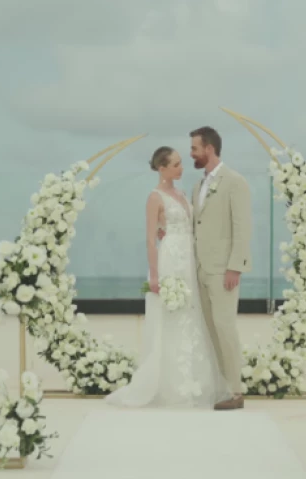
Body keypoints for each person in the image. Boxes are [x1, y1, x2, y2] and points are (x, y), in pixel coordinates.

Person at [105, 146, 233, 409]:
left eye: (180, 163)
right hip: (171, 261)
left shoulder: (183, 193)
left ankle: (199, 383)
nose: (181, 168)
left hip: (189, 259)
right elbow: (151, 239)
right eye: (175, 164)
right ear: (161, 168)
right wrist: (154, 275)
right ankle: (171, 385)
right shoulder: (155, 198)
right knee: (172, 317)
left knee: (192, 314)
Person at [188, 126, 252, 410]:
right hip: (200, 269)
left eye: (194, 149)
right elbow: (196, 225)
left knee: (226, 328)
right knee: (211, 330)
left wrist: (235, 267)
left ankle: (236, 392)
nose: (192, 154)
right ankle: (221, 387)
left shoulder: (234, 181)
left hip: (223, 270)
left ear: (209, 149)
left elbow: (242, 227)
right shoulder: (198, 186)